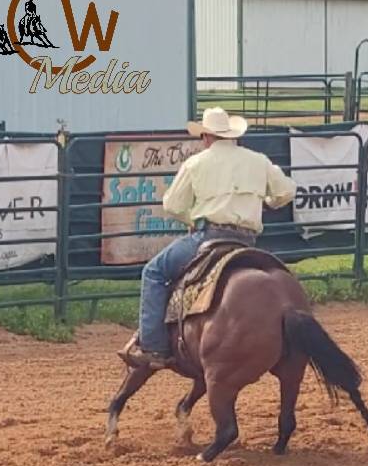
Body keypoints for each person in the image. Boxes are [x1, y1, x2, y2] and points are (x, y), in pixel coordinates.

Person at [119, 107, 297, 369]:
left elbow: (172, 205)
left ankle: (153, 347)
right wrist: (266, 202)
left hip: (209, 237)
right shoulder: (259, 160)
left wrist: (192, 221)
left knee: (154, 272)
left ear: (206, 137)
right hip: (247, 242)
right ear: (232, 135)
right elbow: (286, 192)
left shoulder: (196, 163)